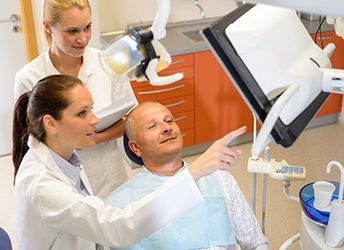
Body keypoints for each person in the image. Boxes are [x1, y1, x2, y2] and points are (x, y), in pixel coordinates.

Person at [12, 74, 248, 249]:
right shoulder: (43, 184)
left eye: (92, 109)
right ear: (51, 124)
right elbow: (116, 227)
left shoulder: (66, 159)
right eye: (82, 113)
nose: (95, 120)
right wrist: (195, 171)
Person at [104, 101, 269, 250]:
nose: (167, 128)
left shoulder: (219, 178)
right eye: (152, 126)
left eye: (169, 120)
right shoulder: (119, 205)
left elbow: (256, 243)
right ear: (135, 147)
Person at [14, 0, 136, 198]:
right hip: (59, 182)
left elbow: (130, 119)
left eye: (87, 28)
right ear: (47, 26)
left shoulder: (108, 63)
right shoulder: (29, 77)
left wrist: (95, 138)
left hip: (110, 174)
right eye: (72, 31)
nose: (83, 39)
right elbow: (31, 141)